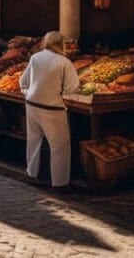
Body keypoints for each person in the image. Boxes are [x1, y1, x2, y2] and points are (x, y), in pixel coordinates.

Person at [20, 31, 80, 188]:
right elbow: (72, 88)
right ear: (61, 44)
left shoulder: (35, 58)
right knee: (59, 146)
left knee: (34, 141)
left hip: (32, 104)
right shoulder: (64, 62)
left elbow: (23, 81)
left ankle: (33, 174)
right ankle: (60, 183)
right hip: (52, 108)